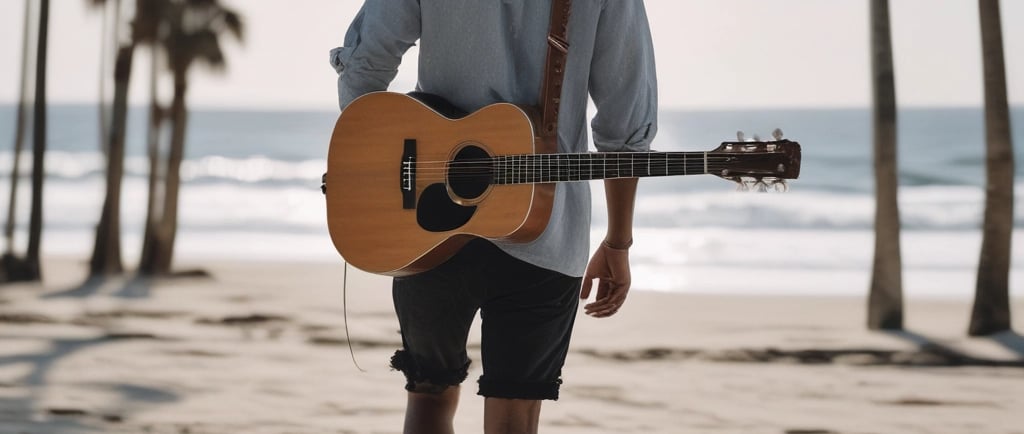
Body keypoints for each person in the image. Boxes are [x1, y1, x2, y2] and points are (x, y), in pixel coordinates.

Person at [330, 1, 657, 432]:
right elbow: (625, 119)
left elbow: (365, 65)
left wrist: (387, 172)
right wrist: (618, 241)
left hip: (425, 220)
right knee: (513, 418)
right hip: (548, 229)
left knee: (428, 401)